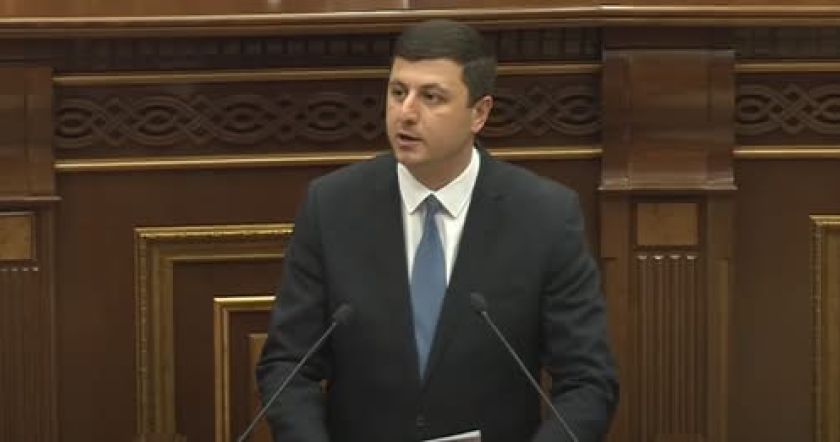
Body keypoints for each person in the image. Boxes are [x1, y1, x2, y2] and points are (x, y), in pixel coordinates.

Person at [257, 19, 618, 442]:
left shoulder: (545, 217)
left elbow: (587, 381)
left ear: (479, 113)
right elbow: (288, 366)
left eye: (431, 97)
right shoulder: (332, 206)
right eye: (398, 92)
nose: (406, 113)